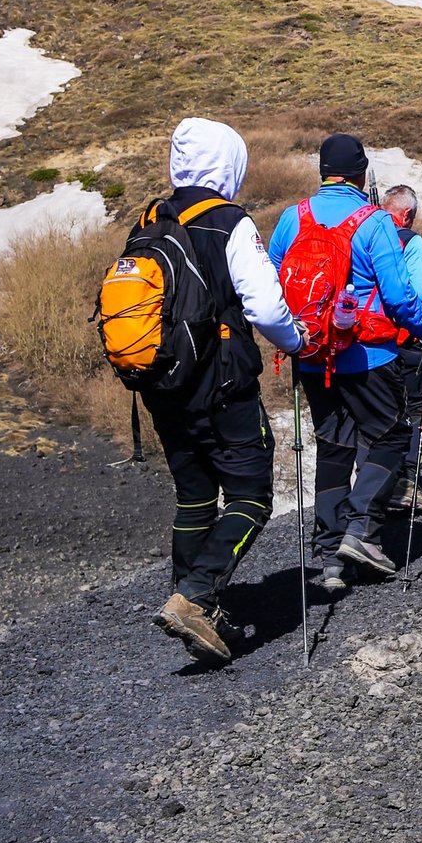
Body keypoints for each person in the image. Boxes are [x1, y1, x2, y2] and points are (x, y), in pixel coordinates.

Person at [137, 117, 308, 665]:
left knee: (193, 494)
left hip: (163, 384)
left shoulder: (150, 219)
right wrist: (296, 339)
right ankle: (195, 598)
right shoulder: (229, 222)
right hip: (222, 385)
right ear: (227, 164)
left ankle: (191, 596)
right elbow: (265, 305)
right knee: (252, 495)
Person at [269, 133, 422, 590]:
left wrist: (293, 340)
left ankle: (328, 556)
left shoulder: (293, 217)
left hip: (311, 355)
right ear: (362, 173)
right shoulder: (375, 221)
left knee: (333, 446)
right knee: (389, 437)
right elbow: (401, 299)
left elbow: (270, 286)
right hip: (367, 355)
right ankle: (361, 530)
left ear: (323, 172)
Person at [379, 184, 422, 515]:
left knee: (381, 411)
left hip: (369, 343)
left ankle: (376, 482)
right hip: (406, 339)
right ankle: (406, 483)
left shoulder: (362, 235)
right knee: (416, 410)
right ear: (407, 214)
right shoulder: (410, 240)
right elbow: (421, 291)